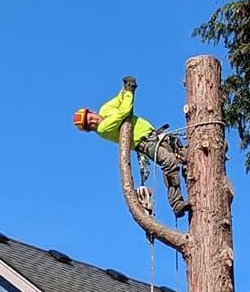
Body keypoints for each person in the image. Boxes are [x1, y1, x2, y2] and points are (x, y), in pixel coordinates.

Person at [73, 77, 190, 218]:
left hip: (156, 135)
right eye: (89, 125)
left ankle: (196, 188)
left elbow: (119, 99)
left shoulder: (105, 109)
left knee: (187, 156)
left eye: (90, 118)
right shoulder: (103, 129)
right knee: (169, 163)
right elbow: (124, 111)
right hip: (145, 144)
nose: (92, 122)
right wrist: (129, 91)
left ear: (91, 111)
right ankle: (176, 204)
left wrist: (125, 88)